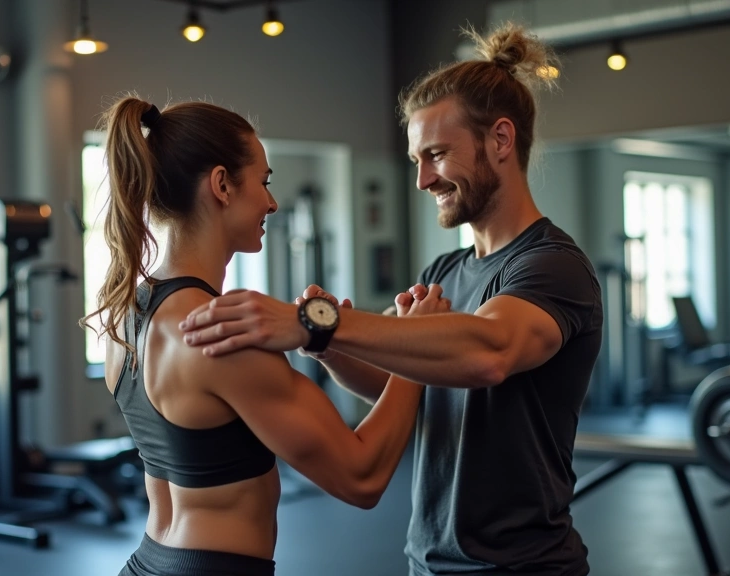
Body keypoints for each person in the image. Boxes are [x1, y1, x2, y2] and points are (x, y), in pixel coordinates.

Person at [178, 22, 604, 576]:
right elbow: (393, 381)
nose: (423, 179)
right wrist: (326, 347)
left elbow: (489, 352)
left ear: (500, 140)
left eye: (436, 154)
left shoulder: (552, 266)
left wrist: (314, 323)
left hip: (522, 567)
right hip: (428, 562)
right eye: (416, 161)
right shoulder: (445, 271)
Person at [81, 95, 450, 576]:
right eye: (264, 181)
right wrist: (415, 344)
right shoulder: (219, 335)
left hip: (148, 561)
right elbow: (362, 477)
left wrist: (324, 339)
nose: (272, 202)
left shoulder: (125, 314)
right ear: (221, 185)